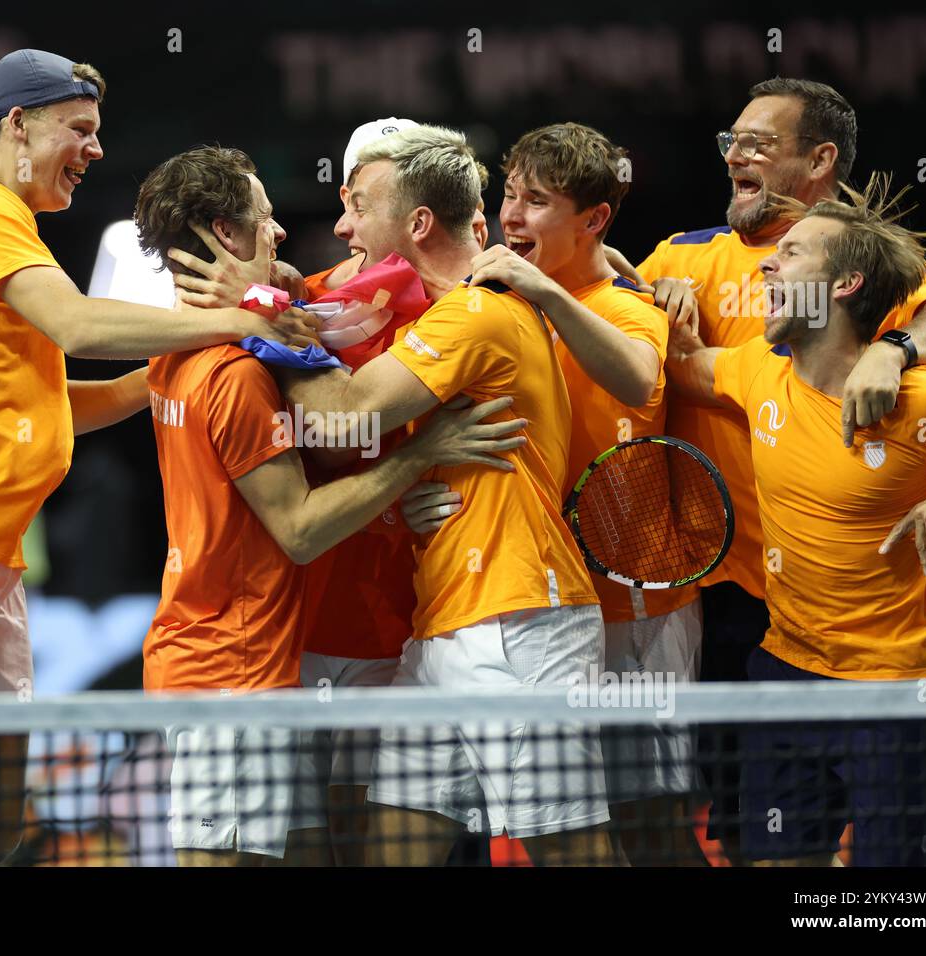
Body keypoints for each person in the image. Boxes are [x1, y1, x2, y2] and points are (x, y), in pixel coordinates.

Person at [0, 50, 318, 868]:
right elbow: (79, 327)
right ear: (18, 124)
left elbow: (58, 402)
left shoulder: (7, 234)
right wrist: (233, 324)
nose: (97, 148)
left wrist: (173, 371)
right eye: (79, 129)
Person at [132, 144, 527, 866]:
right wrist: (419, 454)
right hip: (233, 671)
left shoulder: (176, 350)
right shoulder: (237, 377)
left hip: (241, 661)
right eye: (265, 218)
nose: (282, 233)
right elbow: (303, 528)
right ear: (226, 233)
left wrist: (268, 302)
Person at [272, 125, 655, 866]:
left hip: (520, 621)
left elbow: (344, 414)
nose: (347, 229)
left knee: (575, 854)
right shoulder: (470, 304)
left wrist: (269, 328)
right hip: (445, 619)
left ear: (416, 223)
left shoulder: (476, 314)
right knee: (394, 849)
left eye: (362, 209)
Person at [635, 77, 926, 859]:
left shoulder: (917, 381)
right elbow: (660, 349)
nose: (735, 156)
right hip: (765, 647)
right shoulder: (743, 338)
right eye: (732, 141)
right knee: (767, 850)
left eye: (759, 142)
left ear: (820, 160)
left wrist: (898, 358)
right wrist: (646, 297)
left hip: (895, 680)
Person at [464, 122, 707, 865]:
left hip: (636, 611)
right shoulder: (501, 301)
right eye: (509, 195)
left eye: (536, 202)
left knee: (654, 834)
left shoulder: (630, 307)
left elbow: (636, 376)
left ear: (594, 219)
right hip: (544, 613)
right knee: (557, 829)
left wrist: (542, 289)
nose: (511, 216)